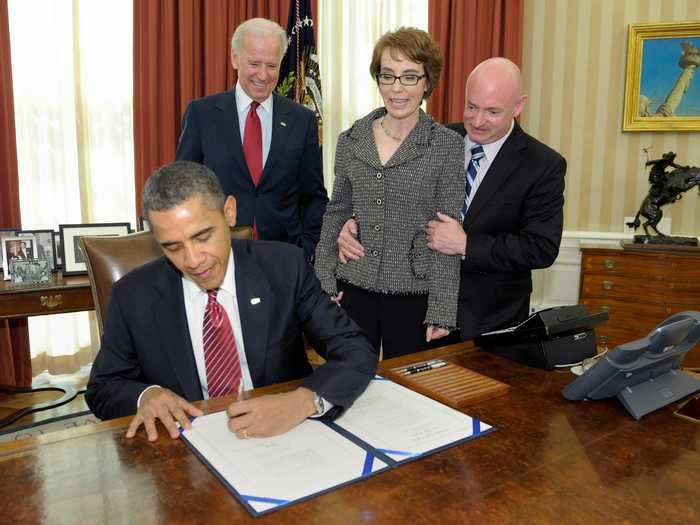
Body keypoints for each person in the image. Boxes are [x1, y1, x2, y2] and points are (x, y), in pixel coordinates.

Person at [86, 161, 377, 441]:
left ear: (229, 212)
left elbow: (354, 349)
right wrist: (144, 396)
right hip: (189, 448)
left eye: (202, 236)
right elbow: (103, 388)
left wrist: (303, 401)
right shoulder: (133, 294)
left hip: (285, 436)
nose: (193, 260)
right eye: (172, 247)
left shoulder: (284, 267)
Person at [339, 58, 566, 341]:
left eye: (493, 112)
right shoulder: (434, 140)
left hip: (488, 324)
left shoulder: (542, 165)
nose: (478, 121)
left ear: (518, 106)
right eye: (471, 107)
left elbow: (540, 247)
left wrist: (465, 244)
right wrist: (352, 223)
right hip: (415, 312)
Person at [314, 27, 464, 359]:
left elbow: (447, 233)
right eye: (388, 76)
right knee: (348, 385)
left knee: (412, 396)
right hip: (352, 287)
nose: (397, 88)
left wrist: (442, 309)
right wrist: (324, 279)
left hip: (415, 295)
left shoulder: (447, 146)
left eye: (410, 77)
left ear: (427, 82)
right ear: (378, 79)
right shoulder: (351, 139)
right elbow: (337, 211)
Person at [176, 18, 327, 261]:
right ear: (235, 58)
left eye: (272, 65)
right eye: (254, 63)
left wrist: (305, 249)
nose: (263, 75)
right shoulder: (201, 114)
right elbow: (182, 189)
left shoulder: (302, 120)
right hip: (217, 257)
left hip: (283, 258)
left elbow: (314, 197)